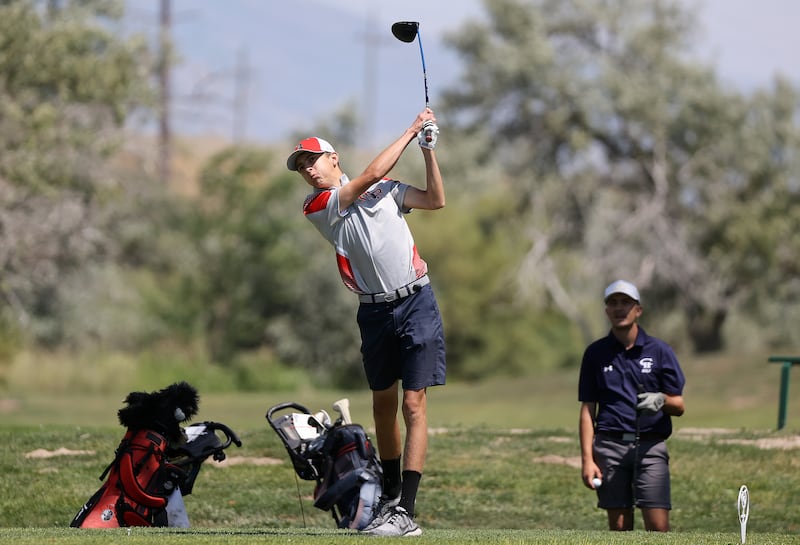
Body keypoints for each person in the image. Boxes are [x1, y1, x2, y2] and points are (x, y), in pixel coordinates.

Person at [286, 107, 446, 537]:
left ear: (333, 158)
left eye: (311, 161)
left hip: (416, 300)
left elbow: (435, 199)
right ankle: (391, 501)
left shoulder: (387, 190)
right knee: (381, 406)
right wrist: (412, 130)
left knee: (413, 404)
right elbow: (371, 175)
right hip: (374, 311)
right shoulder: (318, 205)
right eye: (301, 167)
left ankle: (405, 511)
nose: (308, 171)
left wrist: (428, 151)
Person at [578, 280, 686, 532]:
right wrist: (587, 459)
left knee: (658, 529)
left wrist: (660, 400)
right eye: (613, 303)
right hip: (609, 447)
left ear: (638, 310)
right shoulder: (595, 353)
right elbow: (587, 410)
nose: (619, 308)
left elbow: (679, 405)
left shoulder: (659, 351)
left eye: (626, 302)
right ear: (606, 311)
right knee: (619, 530)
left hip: (650, 446)